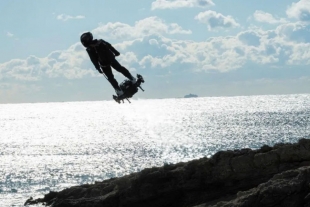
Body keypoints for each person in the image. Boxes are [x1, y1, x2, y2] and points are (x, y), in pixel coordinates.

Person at [80, 32, 136, 97]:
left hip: (104, 64)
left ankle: (119, 90)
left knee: (111, 78)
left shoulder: (89, 49)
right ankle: (132, 79)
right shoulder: (100, 41)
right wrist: (116, 52)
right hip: (111, 60)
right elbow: (110, 46)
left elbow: (93, 60)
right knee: (120, 69)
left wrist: (98, 68)